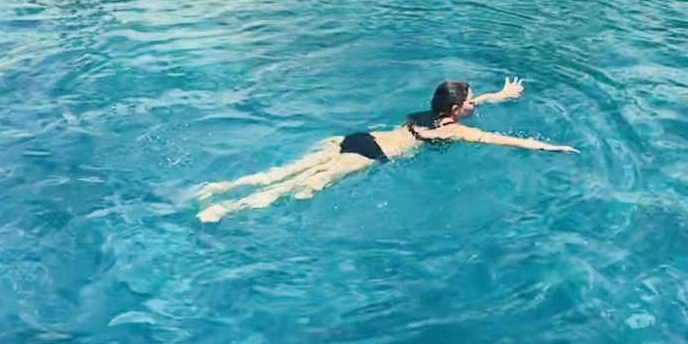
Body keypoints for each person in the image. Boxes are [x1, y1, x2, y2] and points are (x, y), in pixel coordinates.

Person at [196, 77, 576, 221]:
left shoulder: (428, 112)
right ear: (457, 111)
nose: (478, 103)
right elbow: (504, 140)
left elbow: (474, 104)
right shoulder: (455, 133)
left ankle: (219, 190)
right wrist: (550, 147)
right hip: (369, 156)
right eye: (473, 101)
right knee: (295, 188)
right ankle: (226, 209)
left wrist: (501, 95)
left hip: (356, 138)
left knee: (283, 173)